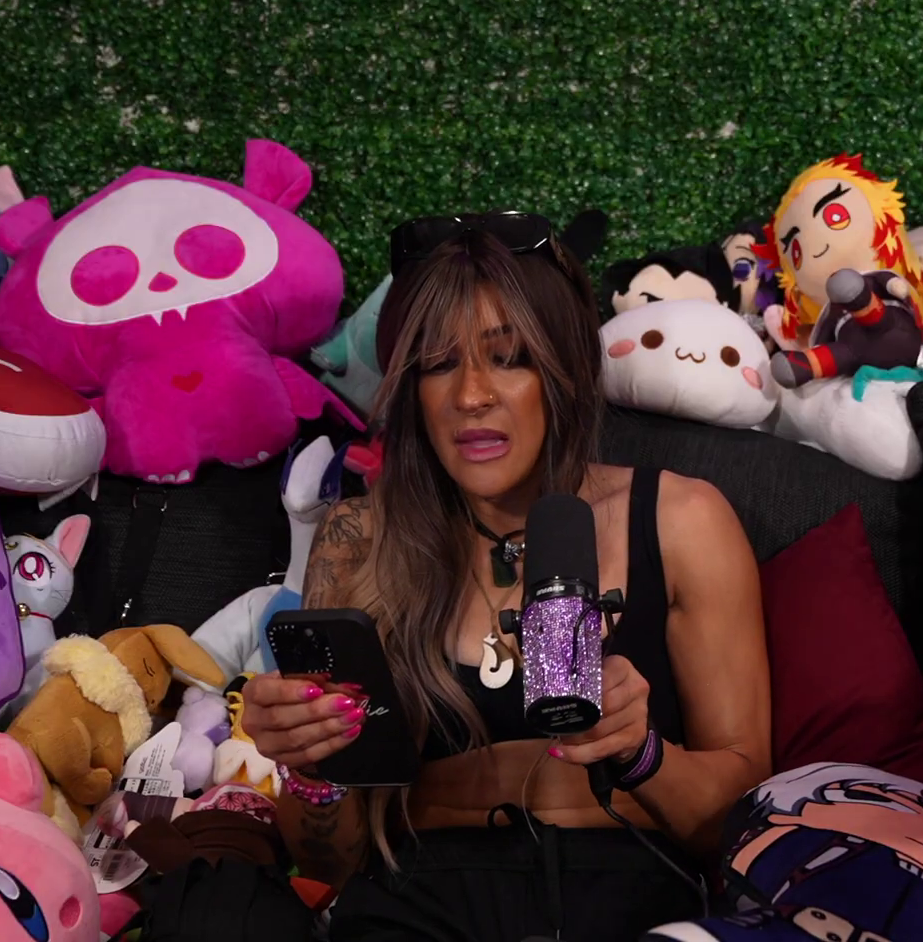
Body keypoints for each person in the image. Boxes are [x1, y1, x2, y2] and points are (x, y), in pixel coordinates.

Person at [241, 212, 772, 942]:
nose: (470, 395)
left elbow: (740, 828)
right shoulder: (361, 538)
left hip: (626, 886)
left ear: (565, 372)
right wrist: (310, 769)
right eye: (438, 363)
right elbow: (330, 863)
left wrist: (640, 751)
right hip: (417, 897)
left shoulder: (683, 520)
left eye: (509, 356)